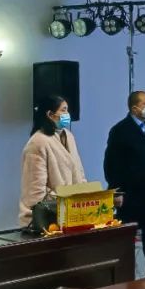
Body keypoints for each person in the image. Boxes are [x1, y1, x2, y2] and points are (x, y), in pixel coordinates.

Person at [103, 90, 145, 276]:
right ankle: (125, 275)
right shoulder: (120, 130)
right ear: (134, 108)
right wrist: (116, 191)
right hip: (130, 194)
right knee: (127, 237)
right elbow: (111, 164)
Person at [20, 94, 86, 227]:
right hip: (47, 220)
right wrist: (64, 201)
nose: (67, 114)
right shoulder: (38, 142)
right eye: (63, 110)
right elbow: (35, 192)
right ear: (50, 114)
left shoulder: (68, 136)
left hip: (73, 215)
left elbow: (79, 173)